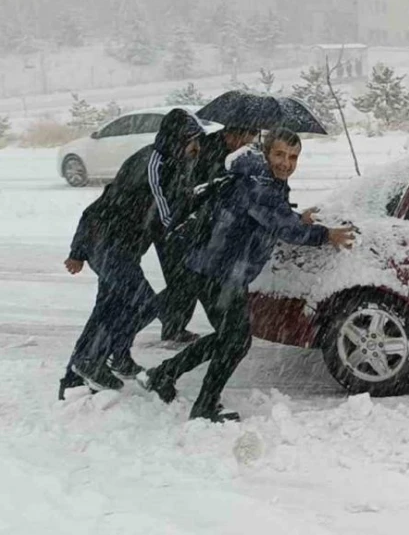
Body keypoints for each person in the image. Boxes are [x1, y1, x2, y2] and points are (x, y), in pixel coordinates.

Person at [140, 128, 355, 422]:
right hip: (219, 270)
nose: (286, 163)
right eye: (280, 154)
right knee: (236, 341)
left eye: (293, 157)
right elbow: (284, 228)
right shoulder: (259, 184)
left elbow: (271, 217)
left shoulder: (263, 180)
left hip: (216, 267)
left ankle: (164, 374)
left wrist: (295, 217)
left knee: (230, 338)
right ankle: (202, 404)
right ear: (267, 153)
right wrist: (326, 234)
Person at [61, 109, 204, 396]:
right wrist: (77, 250)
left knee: (107, 308)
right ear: (178, 138)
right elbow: (165, 217)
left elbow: (172, 204)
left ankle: (87, 371)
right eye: (192, 141)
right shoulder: (153, 164)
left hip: (121, 246)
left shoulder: (173, 162)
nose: (196, 147)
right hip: (107, 242)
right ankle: (92, 360)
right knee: (143, 304)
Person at [157, 126, 262, 344]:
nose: (247, 144)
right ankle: (143, 317)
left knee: (187, 284)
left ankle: (173, 326)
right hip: (182, 227)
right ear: (230, 134)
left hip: (196, 227)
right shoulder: (206, 152)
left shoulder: (229, 153)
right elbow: (196, 190)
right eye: (245, 138)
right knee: (186, 283)